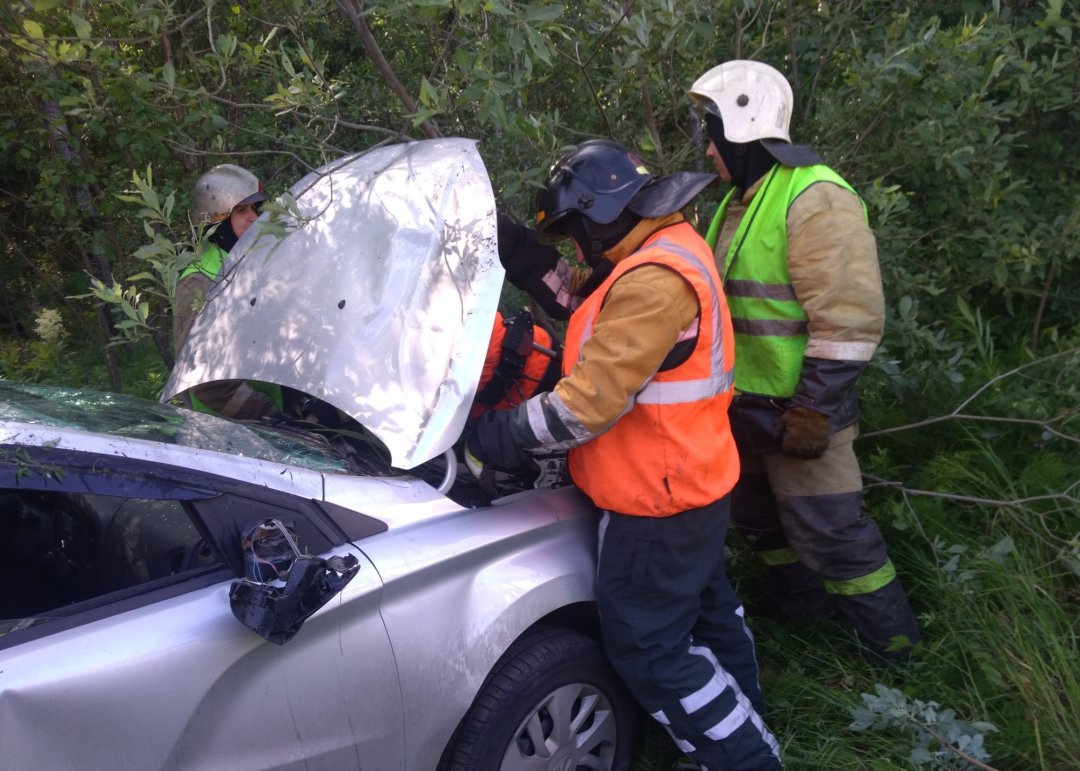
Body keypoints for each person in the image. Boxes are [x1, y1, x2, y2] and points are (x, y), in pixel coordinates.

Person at [467, 139, 783, 770]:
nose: (576, 247)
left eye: (575, 232)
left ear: (600, 212)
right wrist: (510, 245)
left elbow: (582, 407)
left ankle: (744, 759)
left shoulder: (655, 282)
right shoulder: (655, 251)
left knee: (648, 648)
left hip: (655, 501)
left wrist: (493, 435)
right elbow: (580, 299)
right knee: (712, 617)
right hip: (689, 481)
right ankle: (748, 727)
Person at [686, 60, 920, 662]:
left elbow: (849, 321)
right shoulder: (741, 200)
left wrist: (813, 410)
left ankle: (896, 660)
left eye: (711, 133)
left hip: (801, 416)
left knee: (835, 537)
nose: (707, 150)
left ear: (741, 127)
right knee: (763, 528)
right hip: (746, 415)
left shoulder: (815, 197)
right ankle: (803, 628)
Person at [174, 163, 283, 419]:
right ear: (215, 219)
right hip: (222, 428)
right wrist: (269, 414)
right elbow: (198, 375)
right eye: (241, 211)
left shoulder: (249, 261)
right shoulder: (199, 280)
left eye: (255, 208)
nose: (253, 218)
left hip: (268, 418)